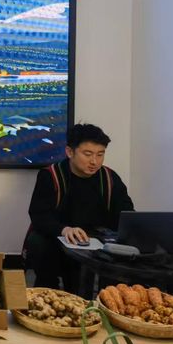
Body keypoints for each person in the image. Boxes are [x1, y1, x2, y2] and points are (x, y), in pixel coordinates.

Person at [24, 123, 134, 289]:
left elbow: (126, 213)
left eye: (100, 154)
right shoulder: (51, 176)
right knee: (38, 242)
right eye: (87, 154)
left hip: (96, 240)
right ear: (70, 152)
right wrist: (65, 229)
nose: (94, 161)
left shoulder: (109, 178)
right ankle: (48, 289)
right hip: (59, 238)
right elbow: (39, 215)